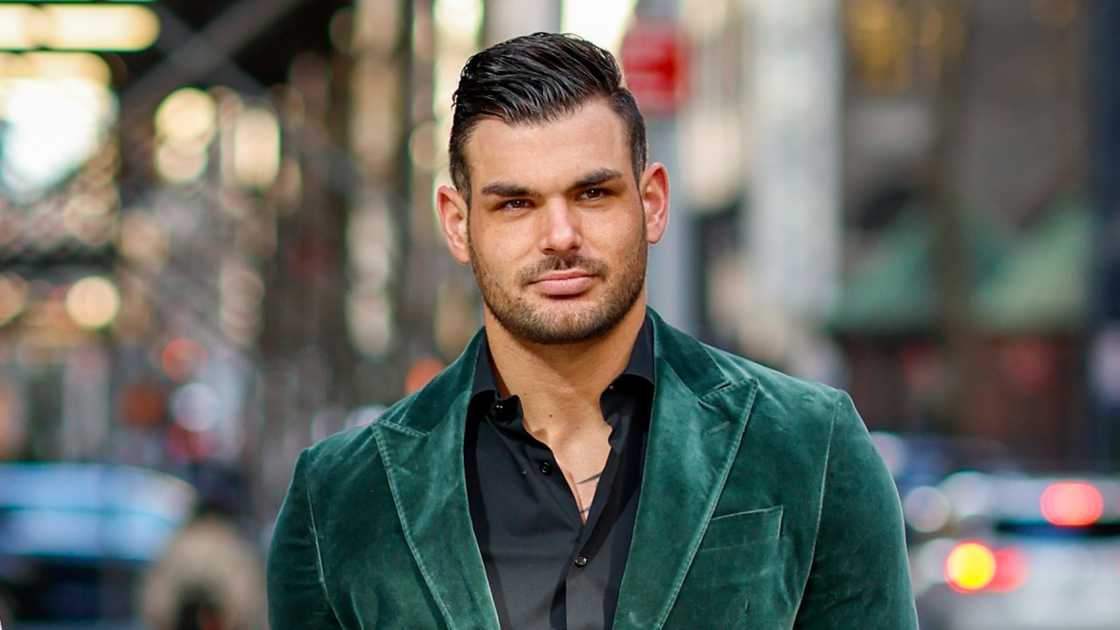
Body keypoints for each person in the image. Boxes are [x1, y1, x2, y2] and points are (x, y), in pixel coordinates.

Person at [267, 32, 917, 629]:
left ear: (652, 203)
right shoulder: (341, 497)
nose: (560, 236)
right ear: (458, 224)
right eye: (516, 203)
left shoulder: (809, 446)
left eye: (593, 194)